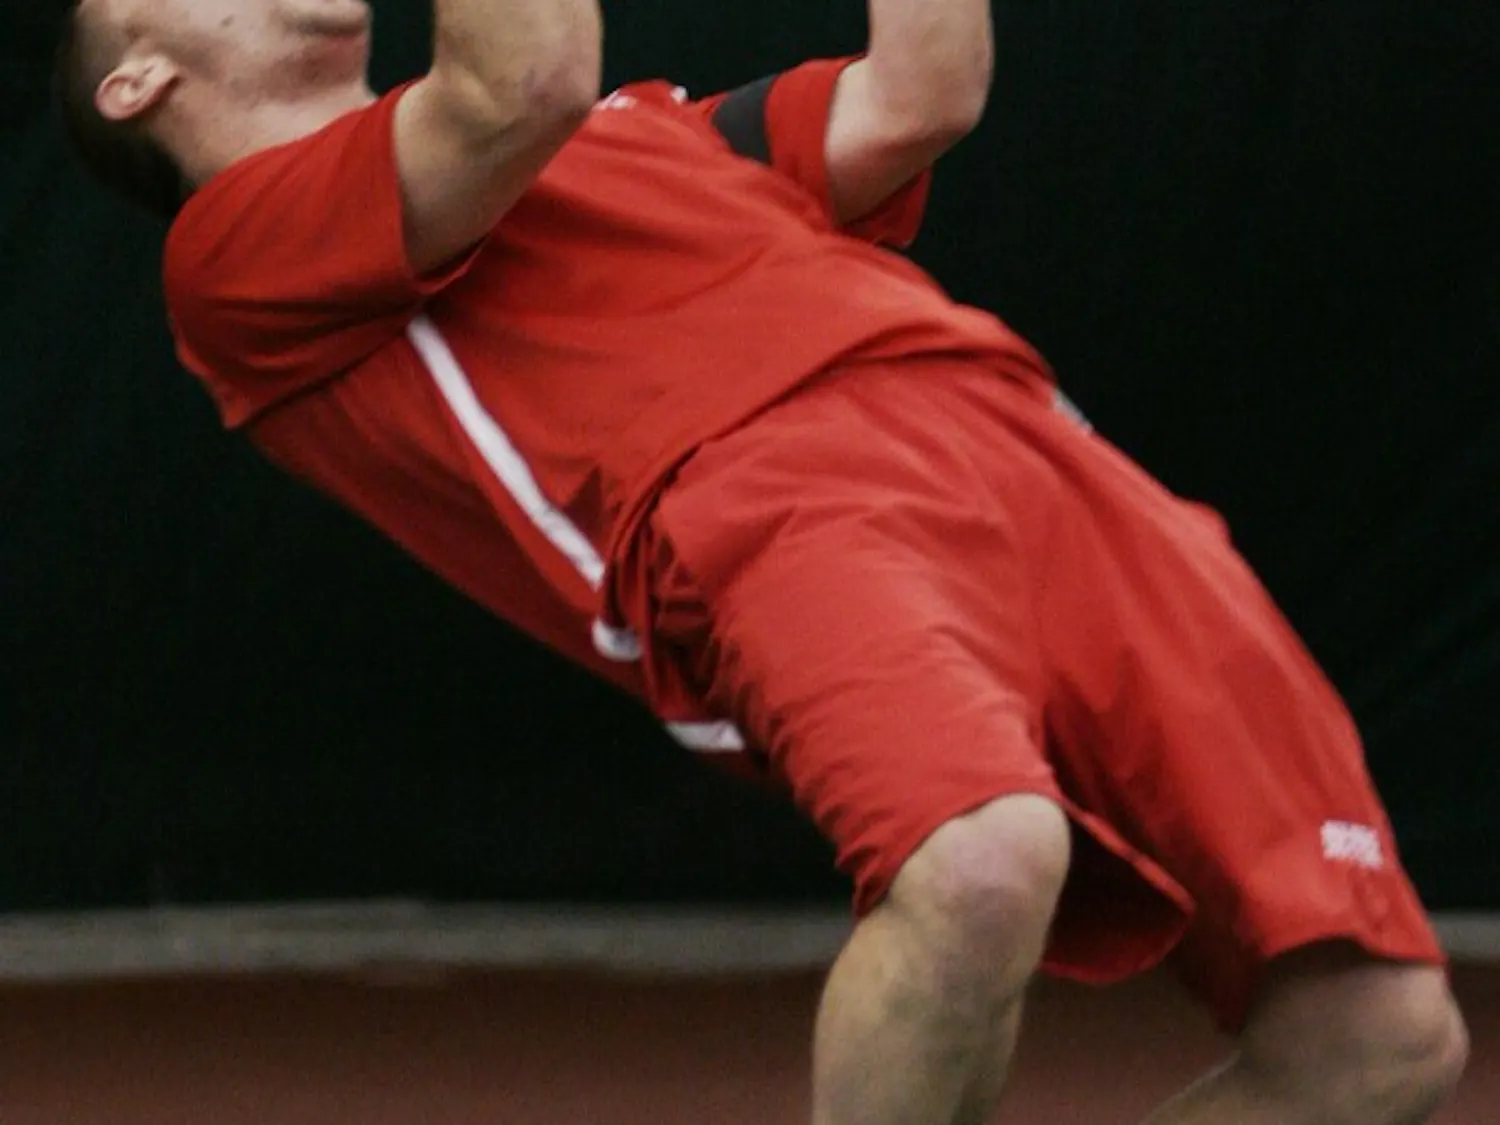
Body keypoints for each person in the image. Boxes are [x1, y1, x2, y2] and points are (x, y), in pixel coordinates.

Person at [55, 0, 1468, 1121]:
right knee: (977, 864)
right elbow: (517, 77)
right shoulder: (238, 250)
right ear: (137, 80)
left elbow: (921, 94)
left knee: (1382, 1041)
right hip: (773, 494)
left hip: (1037, 449)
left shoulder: (640, 129)